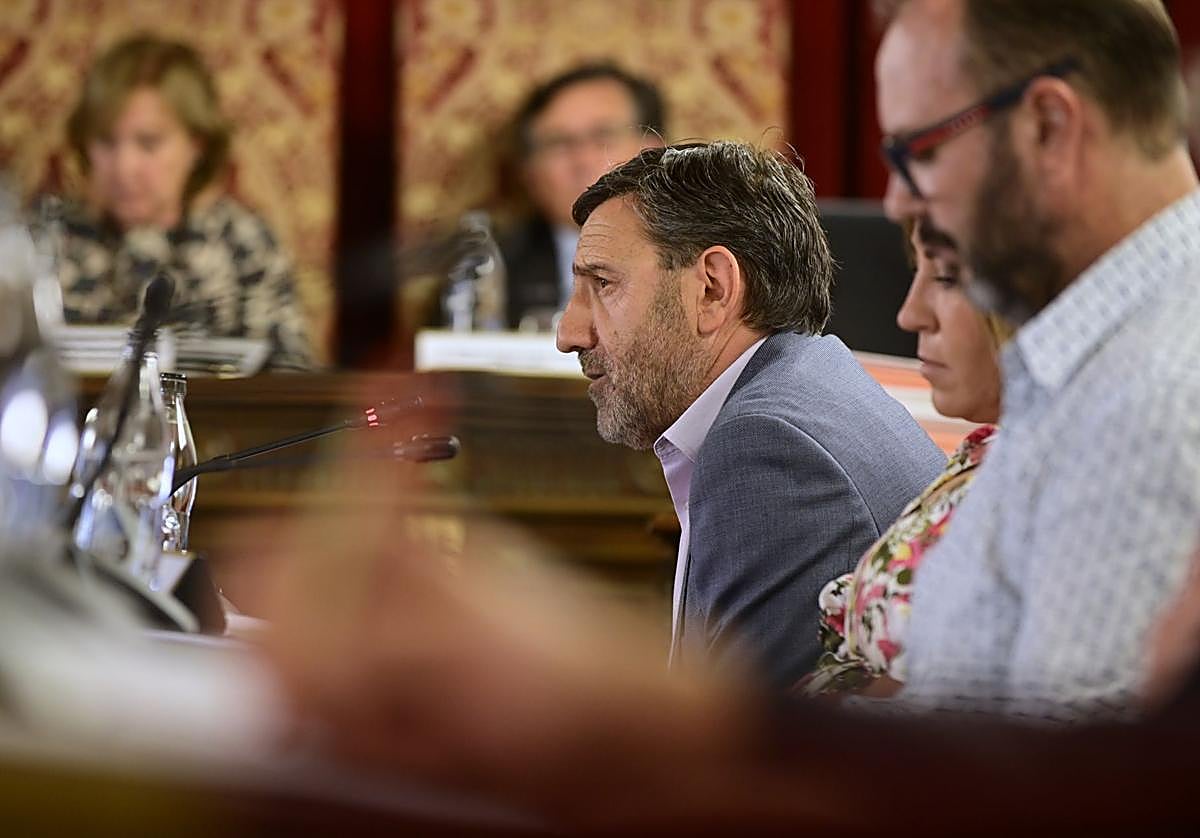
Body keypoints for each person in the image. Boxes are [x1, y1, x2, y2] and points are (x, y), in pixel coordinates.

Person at [874, 0, 1200, 720]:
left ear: (1049, 126)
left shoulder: (1149, 400)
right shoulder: (1092, 349)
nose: (898, 201)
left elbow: (1068, 795)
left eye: (917, 152)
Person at [555, 141, 946, 688]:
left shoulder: (768, 447)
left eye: (603, 285)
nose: (568, 335)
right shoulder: (806, 382)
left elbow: (743, 757)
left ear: (713, 288)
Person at [802, 220, 1006, 697]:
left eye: (948, 277)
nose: (910, 314)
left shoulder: (1077, 477)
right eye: (918, 270)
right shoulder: (989, 451)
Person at [50, 34, 316, 370]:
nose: (124, 167)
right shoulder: (47, 240)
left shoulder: (243, 244)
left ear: (197, 145)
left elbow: (290, 385)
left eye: (148, 143)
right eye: (106, 141)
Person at [499, 63, 665, 330]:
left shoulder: (704, 263)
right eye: (558, 143)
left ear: (654, 151)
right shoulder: (489, 272)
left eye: (603, 136)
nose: (582, 160)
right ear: (528, 171)